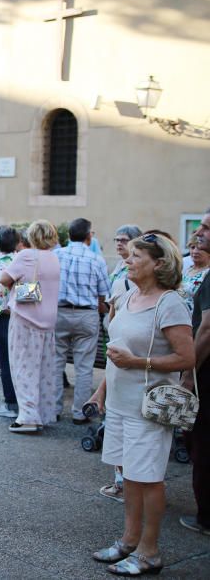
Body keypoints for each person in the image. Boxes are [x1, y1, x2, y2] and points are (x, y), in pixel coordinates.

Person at [87, 233, 194, 576]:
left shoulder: (170, 303)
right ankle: (128, 541)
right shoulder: (130, 294)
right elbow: (119, 349)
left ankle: (149, 552)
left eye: (136, 256)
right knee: (129, 477)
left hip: (149, 408)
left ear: (159, 263)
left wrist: (138, 363)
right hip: (120, 402)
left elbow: (186, 357)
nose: (128, 260)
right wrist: (100, 391)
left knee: (148, 479)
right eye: (129, 255)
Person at [0, 220, 62, 434]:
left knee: (22, 366)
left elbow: (4, 279)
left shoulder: (26, 255)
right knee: (43, 368)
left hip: (27, 317)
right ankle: (43, 413)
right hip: (48, 319)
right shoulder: (54, 257)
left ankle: (27, 417)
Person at [99, 224, 142, 503]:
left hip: (130, 358)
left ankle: (131, 483)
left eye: (124, 240)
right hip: (118, 353)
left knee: (132, 427)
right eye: (116, 239)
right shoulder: (118, 271)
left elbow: (112, 315)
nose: (118, 244)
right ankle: (121, 480)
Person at [55, 218, 111, 424]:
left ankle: (54, 409)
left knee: (55, 363)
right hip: (86, 315)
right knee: (85, 367)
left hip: (59, 313)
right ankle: (80, 412)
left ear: (69, 235)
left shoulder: (56, 255)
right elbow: (104, 294)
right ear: (89, 236)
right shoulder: (96, 259)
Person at [180, 208, 210, 536]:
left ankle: (206, 517)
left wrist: (189, 374)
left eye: (205, 228)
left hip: (204, 370)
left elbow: (207, 330)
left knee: (201, 441)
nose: (199, 233)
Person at [0, 226, 20, 419]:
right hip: (23, 317)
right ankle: (23, 401)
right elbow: (33, 293)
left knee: (6, 363)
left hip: (3, 317)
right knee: (20, 361)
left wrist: (6, 305)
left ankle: (10, 403)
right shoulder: (24, 261)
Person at [181, 236, 208, 314]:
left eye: (200, 248)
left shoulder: (207, 273)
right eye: (192, 247)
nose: (195, 251)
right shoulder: (186, 269)